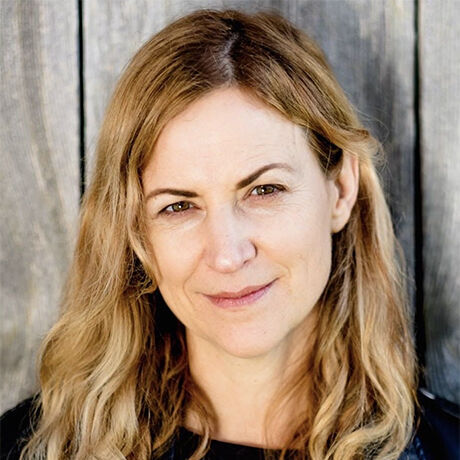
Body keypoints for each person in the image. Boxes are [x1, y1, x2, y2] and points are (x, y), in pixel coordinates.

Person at [0, 8, 457, 460]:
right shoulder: (31, 449)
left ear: (340, 190)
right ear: (135, 231)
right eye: (178, 206)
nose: (227, 254)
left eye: (264, 190)